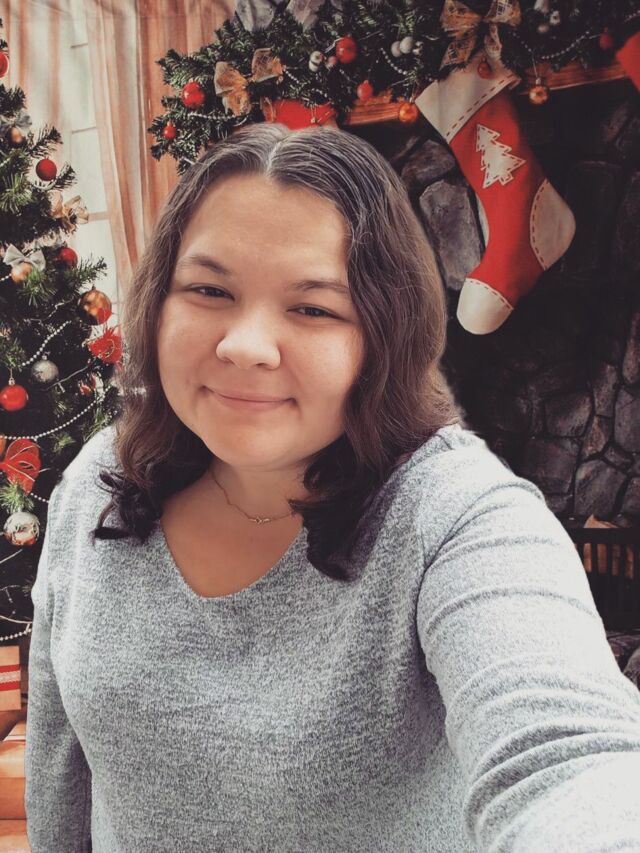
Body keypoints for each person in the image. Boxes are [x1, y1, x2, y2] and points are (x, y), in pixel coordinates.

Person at [25, 122, 640, 853]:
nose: (245, 346)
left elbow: (565, 755)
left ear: (383, 334)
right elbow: (60, 771)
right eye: (209, 289)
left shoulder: (457, 516)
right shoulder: (97, 482)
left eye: (313, 307)